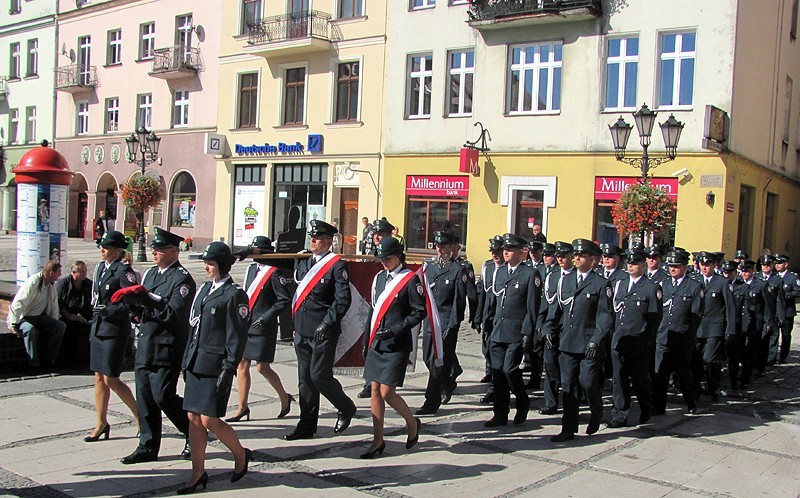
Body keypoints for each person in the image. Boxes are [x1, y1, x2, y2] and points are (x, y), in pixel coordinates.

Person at [117, 228, 196, 465]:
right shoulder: (151, 274)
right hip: (147, 343)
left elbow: (173, 313)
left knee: (164, 395)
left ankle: (193, 432)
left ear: (173, 252)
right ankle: (147, 446)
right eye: (154, 248)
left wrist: (146, 300)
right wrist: (134, 308)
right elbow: (146, 307)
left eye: (159, 249)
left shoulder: (182, 279)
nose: (154, 252)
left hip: (167, 345)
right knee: (145, 398)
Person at [179, 242, 251, 494]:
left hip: (215, 365)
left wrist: (228, 368)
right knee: (193, 417)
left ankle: (241, 454)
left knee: (209, 418)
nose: (206, 267)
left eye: (210, 263)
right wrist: (186, 360)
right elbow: (195, 328)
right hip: (196, 362)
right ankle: (197, 472)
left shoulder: (234, 294)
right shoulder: (205, 290)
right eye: (205, 263)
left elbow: (237, 336)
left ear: (222, 265)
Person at [285, 220, 356, 440]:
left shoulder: (337, 265)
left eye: (316, 238)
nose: (312, 241)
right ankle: (306, 425)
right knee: (304, 380)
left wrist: (327, 323)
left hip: (323, 330)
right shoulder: (305, 263)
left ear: (328, 241)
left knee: (319, 376)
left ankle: (346, 407)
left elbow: (343, 300)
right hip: (303, 329)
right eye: (311, 237)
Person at [360, 237, 426, 458]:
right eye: (381, 259)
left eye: (387, 258)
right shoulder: (379, 279)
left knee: (388, 392)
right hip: (376, 343)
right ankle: (378, 440)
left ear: (398, 256)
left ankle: (412, 422)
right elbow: (373, 311)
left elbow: (419, 312)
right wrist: (365, 341)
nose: (383, 263)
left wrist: (395, 330)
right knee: (375, 392)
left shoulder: (409, 280)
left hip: (396, 343)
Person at [547, 239, 612, 442]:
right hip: (567, 342)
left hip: (588, 343)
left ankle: (596, 410)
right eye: (575, 255)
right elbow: (556, 309)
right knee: (568, 386)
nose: (576, 258)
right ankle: (568, 428)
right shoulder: (565, 281)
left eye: (581, 255)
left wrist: (596, 340)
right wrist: (549, 328)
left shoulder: (601, 283)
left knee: (588, 381)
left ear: (592, 259)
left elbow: (605, 316)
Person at [227, 236, 293, 422]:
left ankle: (284, 396)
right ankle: (242, 407)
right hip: (247, 323)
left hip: (264, 325)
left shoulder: (274, 272)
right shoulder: (251, 269)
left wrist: (266, 317)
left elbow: (284, 301)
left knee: (262, 368)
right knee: (242, 364)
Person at [85, 231, 139, 442]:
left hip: (115, 330)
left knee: (111, 378)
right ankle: (101, 423)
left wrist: (111, 311)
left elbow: (132, 301)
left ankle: (138, 415)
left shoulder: (123, 271)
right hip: (99, 328)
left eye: (106, 247)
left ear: (118, 250)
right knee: (98, 376)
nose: (102, 249)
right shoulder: (100, 268)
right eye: (101, 246)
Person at [483, 233, 540, 427]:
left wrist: (527, 332)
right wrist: (487, 324)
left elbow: (532, 307)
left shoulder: (529, 274)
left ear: (520, 252)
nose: (505, 253)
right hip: (498, 330)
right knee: (497, 373)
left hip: (516, 332)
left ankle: (522, 401)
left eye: (510, 250)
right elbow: (493, 302)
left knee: (510, 370)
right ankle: (500, 413)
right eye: (504, 250)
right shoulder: (498, 272)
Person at [606, 247, 662, 428]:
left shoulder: (651, 287)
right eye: (629, 263)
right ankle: (620, 414)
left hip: (638, 341)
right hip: (619, 339)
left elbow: (654, 319)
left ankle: (646, 407)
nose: (631, 266)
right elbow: (614, 312)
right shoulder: (621, 284)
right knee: (618, 378)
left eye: (635, 263)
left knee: (639, 379)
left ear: (643, 265)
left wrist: (645, 342)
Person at [416, 228, 467, 416]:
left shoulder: (457, 270)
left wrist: (452, 326)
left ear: (451, 247)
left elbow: (458, 303)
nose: (440, 250)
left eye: (444, 246)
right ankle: (448, 381)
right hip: (430, 323)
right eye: (438, 246)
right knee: (428, 359)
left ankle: (432, 400)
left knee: (438, 363)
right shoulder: (429, 268)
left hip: (445, 324)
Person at [653, 250, 703, 415]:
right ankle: (659, 406)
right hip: (664, 336)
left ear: (685, 267)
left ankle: (691, 400)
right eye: (671, 266)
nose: (673, 269)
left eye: (676, 266)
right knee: (660, 374)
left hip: (682, 338)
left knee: (684, 374)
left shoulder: (694, 286)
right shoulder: (663, 285)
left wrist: (690, 336)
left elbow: (696, 315)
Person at [7, 261, 66, 371]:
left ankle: (49, 360)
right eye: (59, 272)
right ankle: (33, 363)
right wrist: (14, 324)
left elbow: (54, 306)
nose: (60, 274)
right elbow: (19, 303)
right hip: (24, 317)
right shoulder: (33, 282)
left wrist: (54, 320)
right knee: (30, 330)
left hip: (39, 317)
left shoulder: (51, 285)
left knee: (60, 326)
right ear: (51, 273)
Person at [693, 251, 735, 402]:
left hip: (714, 328)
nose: (705, 268)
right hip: (697, 328)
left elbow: (730, 308)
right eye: (702, 265)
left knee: (710, 359)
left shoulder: (722, 282)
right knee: (696, 360)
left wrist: (730, 330)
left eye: (708, 265)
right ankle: (696, 388)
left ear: (714, 265)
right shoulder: (696, 281)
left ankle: (713, 386)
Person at [539, 241, 574, 416]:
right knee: (550, 367)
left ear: (572, 258)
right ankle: (550, 403)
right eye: (558, 256)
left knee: (568, 373)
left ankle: (571, 403)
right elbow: (545, 304)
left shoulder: (577, 277)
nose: (560, 259)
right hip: (551, 328)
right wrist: (543, 327)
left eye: (563, 256)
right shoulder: (552, 277)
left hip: (569, 330)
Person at [474, 236, 504, 403]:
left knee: (496, 354)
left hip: (502, 317)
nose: (495, 255)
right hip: (488, 315)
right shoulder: (488, 267)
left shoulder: (508, 268)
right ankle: (491, 375)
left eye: (497, 251)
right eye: (492, 252)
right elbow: (482, 293)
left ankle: (495, 388)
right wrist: (478, 317)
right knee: (487, 349)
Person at [56, 261, 93, 369]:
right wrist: (70, 316)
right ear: (73, 272)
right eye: (81, 272)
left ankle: (88, 360)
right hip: (68, 316)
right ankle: (71, 361)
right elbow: (58, 304)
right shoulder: (63, 284)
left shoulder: (89, 285)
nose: (84, 274)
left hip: (85, 316)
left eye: (85, 271)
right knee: (70, 330)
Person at [755, 255, 785, 373]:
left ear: (772, 266)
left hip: (772, 313)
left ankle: (769, 359)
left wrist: (780, 315)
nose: (766, 267)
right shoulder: (756, 278)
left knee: (771, 337)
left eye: (768, 265)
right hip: (758, 313)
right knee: (758, 339)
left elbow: (780, 300)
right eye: (764, 265)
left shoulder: (777, 280)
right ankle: (757, 361)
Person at [774, 254, 800, 363]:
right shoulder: (773, 277)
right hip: (775, 310)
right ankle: (771, 356)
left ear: (786, 264)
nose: (777, 265)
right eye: (776, 263)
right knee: (773, 335)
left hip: (787, 310)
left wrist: (787, 295)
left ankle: (783, 356)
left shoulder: (792, 277)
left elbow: (798, 291)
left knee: (785, 334)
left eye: (779, 263)